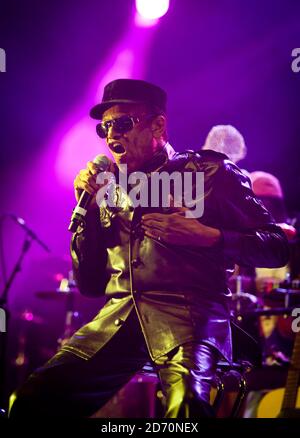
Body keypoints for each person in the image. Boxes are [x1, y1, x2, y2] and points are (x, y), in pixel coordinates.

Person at [9, 79, 289, 418]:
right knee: (30, 400)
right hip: (120, 316)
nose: (112, 136)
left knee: (187, 407)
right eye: (105, 127)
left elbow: (276, 248)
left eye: (123, 123)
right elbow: (92, 284)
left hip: (189, 315)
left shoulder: (211, 172)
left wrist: (209, 236)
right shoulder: (109, 188)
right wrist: (89, 214)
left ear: (158, 125)